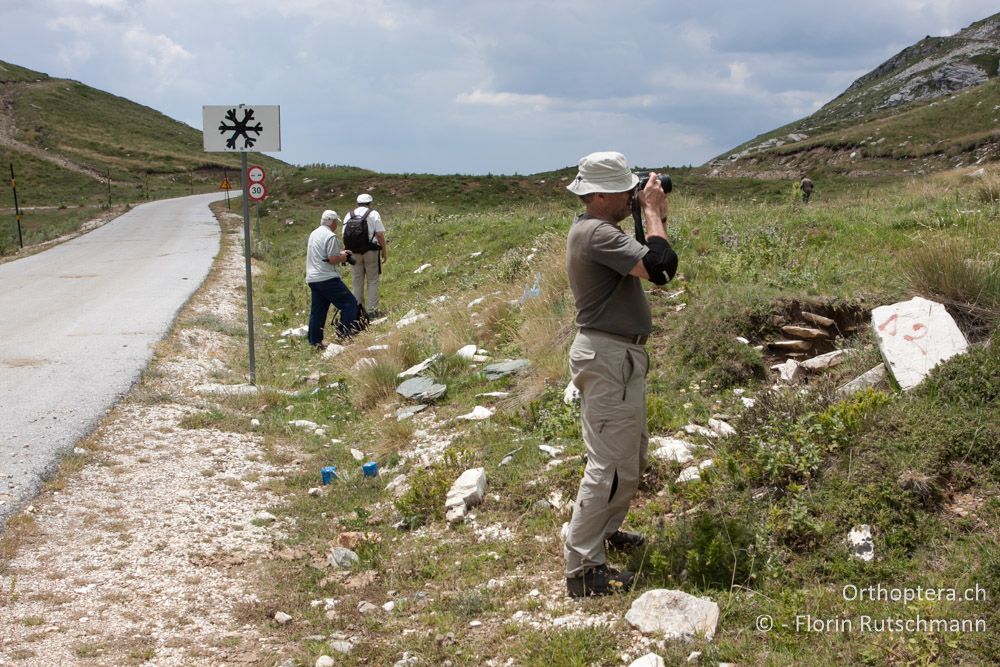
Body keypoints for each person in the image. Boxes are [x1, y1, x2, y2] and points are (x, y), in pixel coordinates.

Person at [563, 151, 678, 598]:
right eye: (626, 189)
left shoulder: (600, 230)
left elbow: (650, 256)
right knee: (608, 464)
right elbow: (661, 268)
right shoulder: (595, 234)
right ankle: (582, 569)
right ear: (602, 195)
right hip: (608, 357)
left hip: (618, 357)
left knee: (628, 458)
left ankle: (604, 534)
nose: (632, 192)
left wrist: (644, 214)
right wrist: (650, 212)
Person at [306, 209, 359, 348]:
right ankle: (344, 335)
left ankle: (315, 341)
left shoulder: (314, 233)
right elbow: (332, 259)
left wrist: (340, 253)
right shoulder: (330, 236)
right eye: (336, 222)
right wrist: (344, 257)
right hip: (327, 278)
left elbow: (323, 255)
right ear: (332, 222)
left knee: (318, 310)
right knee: (349, 303)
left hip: (313, 278)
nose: (336, 225)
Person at [346, 193, 387, 317]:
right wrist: (384, 251)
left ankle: (356, 312)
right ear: (370, 203)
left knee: (357, 282)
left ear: (357, 203)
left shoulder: (349, 215)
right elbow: (379, 234)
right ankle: (371, 311)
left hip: (354, 252)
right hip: (370, 251)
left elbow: (344, 235)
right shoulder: (373, 214)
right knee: (372, 280)